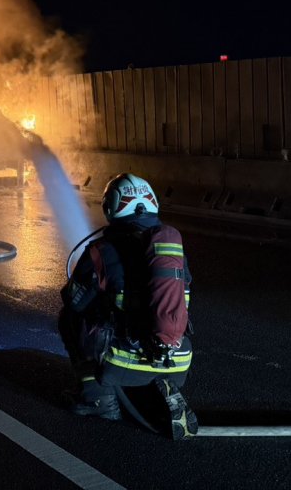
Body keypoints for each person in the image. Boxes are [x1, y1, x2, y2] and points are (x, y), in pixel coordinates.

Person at [58, 172, 198, 439]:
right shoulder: (170, 251)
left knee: (69, 319)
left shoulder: (102, 250)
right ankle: (163, 383)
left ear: (110, 207)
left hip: (123, 360)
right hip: (178, 358)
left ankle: (98, 400)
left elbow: (73, 302)